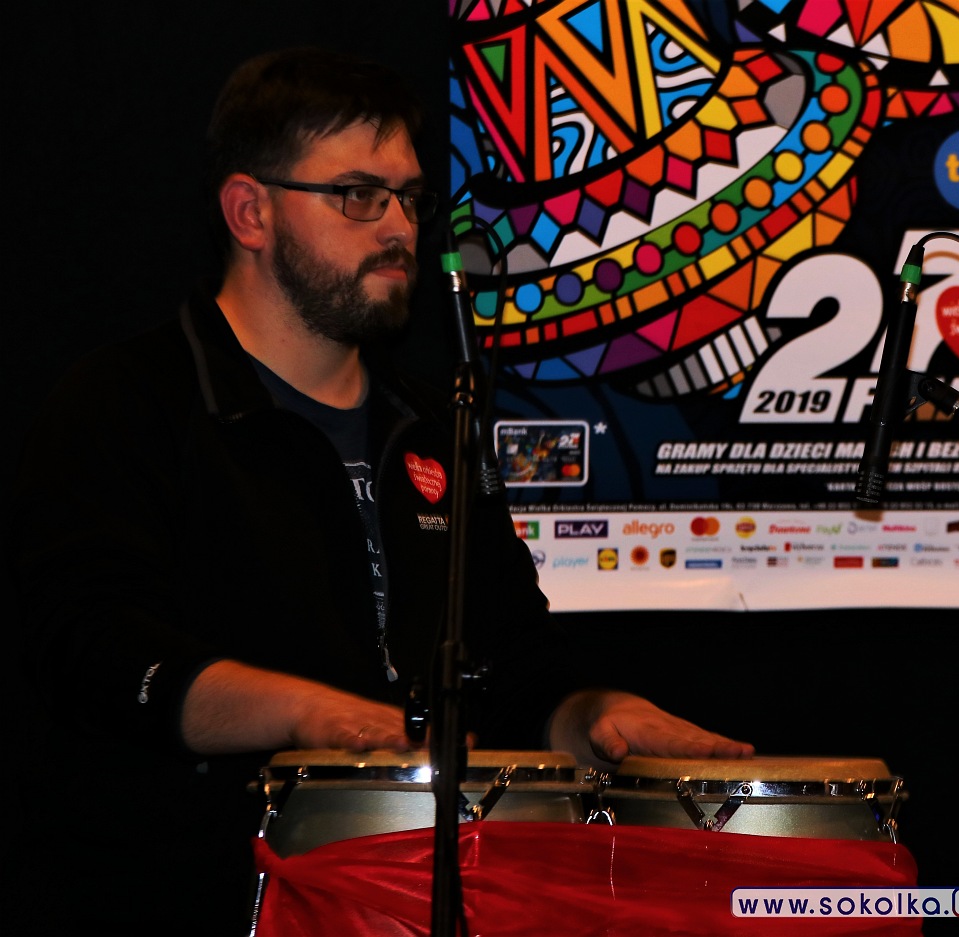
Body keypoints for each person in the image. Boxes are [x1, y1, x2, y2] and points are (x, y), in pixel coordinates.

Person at [7, 46, 753, 935]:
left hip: (429, 899)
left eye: (409, 198)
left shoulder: (436, 423)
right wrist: (311, 714)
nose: (399, 227)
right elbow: (93, 651)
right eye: (359, 195)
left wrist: (595, 715)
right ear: (250, 211)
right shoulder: (129, 401)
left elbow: (516, 666)